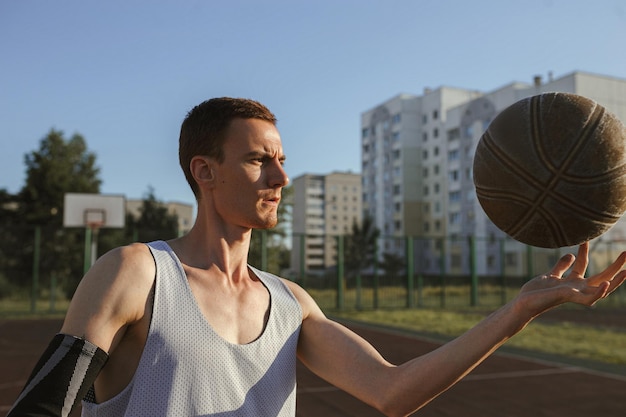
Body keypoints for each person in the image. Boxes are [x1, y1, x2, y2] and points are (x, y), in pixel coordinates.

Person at [8, 97, 626, 417]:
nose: (281, 174)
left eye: (282, 158)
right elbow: (43, 407)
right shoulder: (137, 272)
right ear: (204, 171)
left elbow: (393, 392)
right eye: (259, 159)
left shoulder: (291, 304)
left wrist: (517, 310)